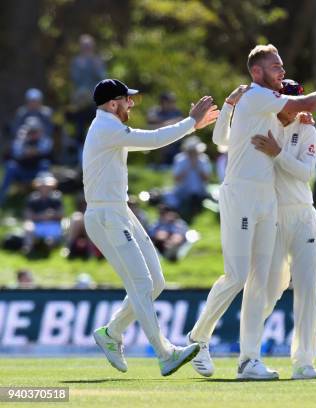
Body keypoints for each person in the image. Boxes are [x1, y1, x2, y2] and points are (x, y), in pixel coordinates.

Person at [188, 44, 316, 380]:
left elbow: (296, 114)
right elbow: (227, 138)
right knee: (237, 276)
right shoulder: (256, 98)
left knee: (257, 281)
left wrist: (236, 110)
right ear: (257, 72)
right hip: (240, 194)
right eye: (276, 67)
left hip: (268, 200)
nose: (282, 72)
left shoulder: (272, 111)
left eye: (283, 67)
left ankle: (249, 360)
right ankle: (199, 337)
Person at [83, 78, 218, 376]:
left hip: (119, 211)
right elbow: (155, 139)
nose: (131, 104)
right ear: (112, 104)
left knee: (155, 283)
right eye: (127, 99)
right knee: (142, 285)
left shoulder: (110, 127)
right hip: (106, 216)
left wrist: (190, 124)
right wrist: (191, 123)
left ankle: (111, 332)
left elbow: (155, 137)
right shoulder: (107, 127)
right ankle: (164, 353)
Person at [211, 78, 316, 379]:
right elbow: (223, 141)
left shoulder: (307, 127)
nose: (292, 108)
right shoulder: (261, 121)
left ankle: (304, 363)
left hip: (302, 216)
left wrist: (277, 152)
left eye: (295, 101)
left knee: (306, 289)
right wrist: (229, 106)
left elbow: (305, 172)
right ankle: (249, 355)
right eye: (287, 100)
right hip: (271, 216)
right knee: (265, 288)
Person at [0, 117, 53, 205]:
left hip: (36, 172)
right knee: (10, 166)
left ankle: (46, 199)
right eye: (30, 131)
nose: (33, 133)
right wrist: (25, 148)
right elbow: (15, 154)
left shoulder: (45, 140)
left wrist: (34, 151)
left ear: (40, 130)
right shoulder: (19, 140)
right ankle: (1, 199)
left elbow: (46, 151)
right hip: (22, 172)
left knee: (45, 164)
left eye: (35, 131)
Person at [69, 34, 107, 144]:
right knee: (79, 125)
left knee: (96, 125)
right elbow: (74, 79)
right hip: (81, 101)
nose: (87, 48)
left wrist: (96, 66)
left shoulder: (98, 60)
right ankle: (80, 151)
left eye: (89, 46)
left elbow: (102, 77)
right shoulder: (76, 61)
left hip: (95, 99)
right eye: (84, 46)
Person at [167, 136, 212, 222]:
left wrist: (197, 167)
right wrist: (188, 166)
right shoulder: (180, 159)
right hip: (182, 191)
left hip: (200, 192)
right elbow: (176, 178)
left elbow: (206, 178)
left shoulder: (203, 159)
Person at [22, 173, 64, 256]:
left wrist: (53, 215)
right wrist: (41, 216)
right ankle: (28, 248)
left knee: (50, 237)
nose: (45, 188)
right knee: (28, 226)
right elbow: (27, 216)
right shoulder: (32, 198)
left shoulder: (56, 198)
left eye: (47, 186)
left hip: (52, 224)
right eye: (42, 186)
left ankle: (48, 248)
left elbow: (61, 214)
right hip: (37, 225)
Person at [147, 91, 184, 165]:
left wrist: (162, 124)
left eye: (173, 101)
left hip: (173, 141)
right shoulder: (154, 110)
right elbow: (149, 126)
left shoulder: (176, 112)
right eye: (169, 101)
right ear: (162, 102)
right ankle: (159, 164)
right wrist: (169, 123)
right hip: (156, 139)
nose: (172, 103)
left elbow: (181, 123)